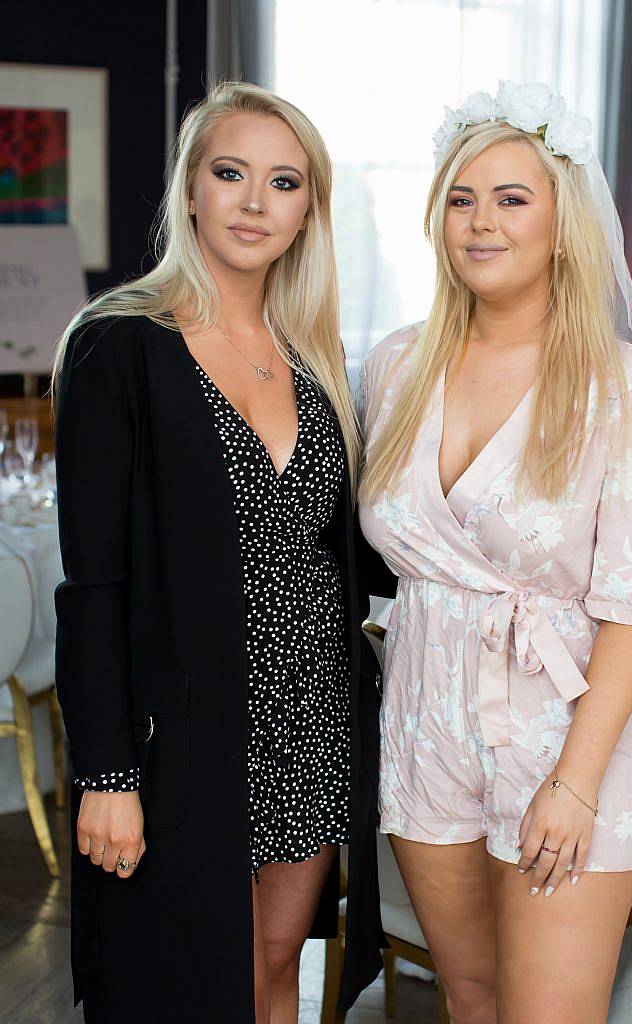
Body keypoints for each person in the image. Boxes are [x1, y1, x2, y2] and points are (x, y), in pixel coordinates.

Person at [358, 80, 632, 1023]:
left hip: (563, 734)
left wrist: (574, 783)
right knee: (467, 1000)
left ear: (562, 219)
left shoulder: (622, 389)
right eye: (461, 198)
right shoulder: (394, 365)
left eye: (511, 199)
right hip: (425, 722)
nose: (481, 222)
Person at [54, 80, 383, 1024]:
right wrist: (107, 773)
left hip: (311, 713)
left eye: (283, 183)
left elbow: (348, 549)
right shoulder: (119, 345)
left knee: (275, 969)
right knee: (197, 984)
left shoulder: (315, 358)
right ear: (190, 187)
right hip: (184, 731)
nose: (253, 202)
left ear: (306, 210)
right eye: (230, 173)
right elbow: (92, 586)